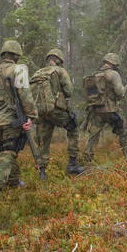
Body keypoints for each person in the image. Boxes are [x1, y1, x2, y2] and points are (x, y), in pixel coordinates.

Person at [0, 39, 38, 201]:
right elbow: (25, 95)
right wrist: (31, 115)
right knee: (9, 151)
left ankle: (14, 181)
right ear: (16, 55)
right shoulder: (18, 70)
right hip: (10, 120)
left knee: (5, 150)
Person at [31, 47, 81, 177]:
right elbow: (69, 91)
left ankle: (42, 172)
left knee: (43, 141)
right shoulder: (60, 71)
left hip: (41, 112)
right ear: (58, 60)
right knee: (73, 129)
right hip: (56, 110)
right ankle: (72, 163)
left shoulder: (37, 73)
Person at [83, 52, 127, 166]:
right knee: (123, 132)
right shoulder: (114, 74)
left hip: (96, 111)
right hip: (111, 111)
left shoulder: (95, 75)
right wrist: (126, 88)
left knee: (93, 136)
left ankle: (87, 159)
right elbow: (120, 93)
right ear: (114, 63)